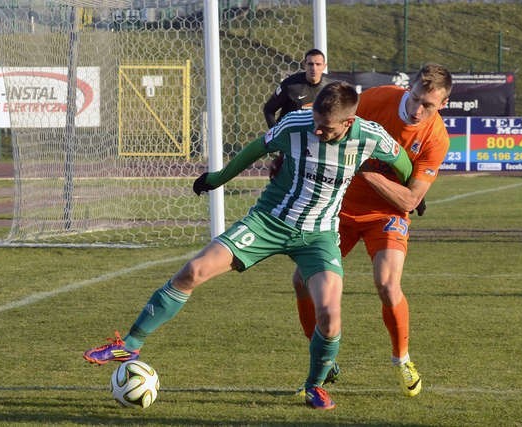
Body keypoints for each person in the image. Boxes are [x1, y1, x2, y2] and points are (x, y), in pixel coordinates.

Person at [83, 81, 413, 410]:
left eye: (325, 128)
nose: (317, 131)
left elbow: (403, 163)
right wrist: (217, 178)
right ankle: (129, 344)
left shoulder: (371, 136)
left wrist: (412, 193)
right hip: (267, 222)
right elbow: (254, 150)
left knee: (330, 314)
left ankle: (314, 386)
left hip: (319, 236)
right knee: (193, 271)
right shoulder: (296, 125)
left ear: (348, 123)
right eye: (315, 122)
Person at [283, 63, 453, 398]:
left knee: (388, 284)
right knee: (300, 281)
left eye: (428, 105)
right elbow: (335, 120)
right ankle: (322, 359)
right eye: (416, 97)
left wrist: (363, 170)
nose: (418, 109)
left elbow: (409, 199)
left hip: (385, 214)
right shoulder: (377, 99)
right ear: (410, 88)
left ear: (443, 104)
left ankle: (402, 358)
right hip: (339, 208)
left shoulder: (436, 138)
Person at [263, 48, 335, 128]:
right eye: (310, 64)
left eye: (318, 64)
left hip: (316, 135)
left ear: (324, 66)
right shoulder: (290, 84)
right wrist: (275, 132)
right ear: (304, 64)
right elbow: (268, 109)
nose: (314, 68)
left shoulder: (331, 88)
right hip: (290, 134)